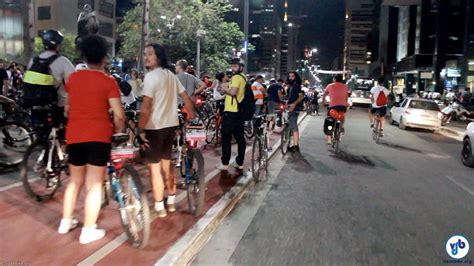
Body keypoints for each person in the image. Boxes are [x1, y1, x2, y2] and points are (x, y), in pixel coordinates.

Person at [58, 34, 125, 244]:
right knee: (94, 184)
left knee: (74, 181)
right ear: (104, 57)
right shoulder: (108, 81)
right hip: (98, 136)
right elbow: (119, 114)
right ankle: (88, 229)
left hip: (74, 135)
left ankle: (65, 222)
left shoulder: (73, 79)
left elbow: (68, 109)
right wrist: (117, 130)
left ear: (84, 56)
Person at [138, 44, 196, 218]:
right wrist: (192, 115)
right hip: (171, 126)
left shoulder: (150, 77)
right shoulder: (171, 75)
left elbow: (146, 106)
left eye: (150, 54)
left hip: (154, 128)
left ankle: (159, 206)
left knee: (154, 169)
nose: (146, 57)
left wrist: (141, 130)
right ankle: (171, 202)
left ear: (159, 57)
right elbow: (186, 97)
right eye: (145, 54)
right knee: (167, 164)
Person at [26, 29, 75, 125]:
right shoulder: (63, 61)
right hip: (58, 105)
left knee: (38, 132)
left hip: (35, 104)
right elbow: (73, 83)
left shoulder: (33, 61)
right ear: (58, 45)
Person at [217, 58, 247, 171]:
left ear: (240, 67)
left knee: (226, 137)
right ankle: (240, 162)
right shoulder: (243, 78)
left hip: (231, 112)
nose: (233, 68)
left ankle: (225, 163)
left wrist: (224, 90)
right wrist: (224, 88)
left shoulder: (236, 78)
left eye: (235, 66)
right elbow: (225, 89)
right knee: (240, 138)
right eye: (232, 66)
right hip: (239, 112)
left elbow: (232, 92)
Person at [323, 74, 349, 145]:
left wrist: (324, 102)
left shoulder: (330, 85)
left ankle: (329, 138)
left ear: (334, 79)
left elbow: (324, 94)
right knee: (342, 115)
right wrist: (346, 104)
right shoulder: (345, 86)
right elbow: (346, 97)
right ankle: (342, 126)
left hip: (333, 106)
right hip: (342, 106)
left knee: (329, 119)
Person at [286, 72, 305, 152]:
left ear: (296, 77)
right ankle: (293, 143)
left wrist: (294, 104)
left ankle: (295, 145)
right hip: (290, 107)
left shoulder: (296, 85)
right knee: (291, 124)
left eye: (292, 76)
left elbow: (301, 96)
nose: (290, 78)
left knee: (294, 125)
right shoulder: (292, 86)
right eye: (289, 76)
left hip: (294, 108)